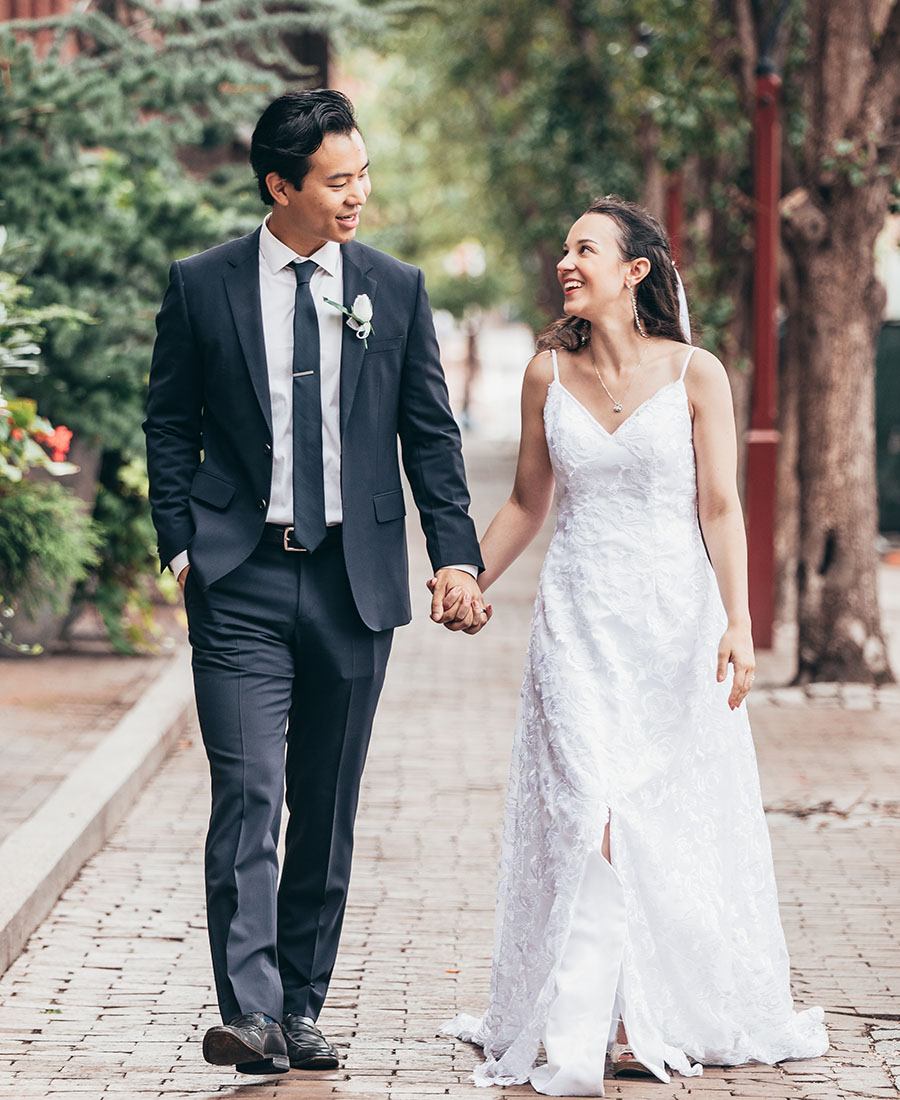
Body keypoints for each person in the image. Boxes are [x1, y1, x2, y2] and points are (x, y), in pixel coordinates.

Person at [440, 195, 828, 1095]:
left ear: (635, 272)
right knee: (590, 802)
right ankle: (611, 1018)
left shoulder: (698, 374)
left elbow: (721, 507)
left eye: (586, 250)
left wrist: (738, 620)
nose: (567, 264)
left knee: (658, 810)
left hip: (672, 622)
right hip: (576, 621)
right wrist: (466, 573)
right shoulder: (545, 375)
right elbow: (530, 504)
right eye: (565, 250)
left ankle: (653, 1001)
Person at [143, 88, 489, 1077]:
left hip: (353, 580)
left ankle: (300, 1002)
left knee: (324, 803)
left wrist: (453, 554)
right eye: (339, 180)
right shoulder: (203, 284)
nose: (358, 195)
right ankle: (249, 1011)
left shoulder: (396, 286)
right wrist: (181, 543)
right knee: (247, 793)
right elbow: (169, 419)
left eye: (363, 175)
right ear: (279, 185)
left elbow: (429, 433)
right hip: (240, 578)